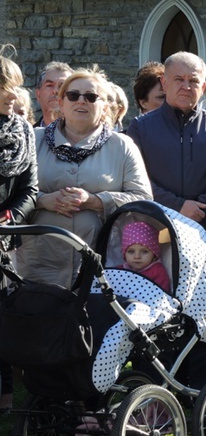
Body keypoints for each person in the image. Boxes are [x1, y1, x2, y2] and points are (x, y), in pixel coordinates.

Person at [126, 51, 206, 389]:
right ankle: (154, 404)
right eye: (178, 79)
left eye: (194, 81)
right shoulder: (141, 127)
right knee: (155, 323)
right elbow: (137, 179)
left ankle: (205, 404)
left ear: (204, 86)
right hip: (155, 241)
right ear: (164, 82)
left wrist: (201, 205)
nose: (186, 86)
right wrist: (178, 206)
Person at [17, 66, 152, 288]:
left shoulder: (122, 146)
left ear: (105, 106)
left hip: (100, 265)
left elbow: (143, 199)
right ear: (61, 102)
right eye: (73, 95)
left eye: (91, 97)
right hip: (36, 263)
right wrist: (42, 200)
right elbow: (10, 192)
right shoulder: (33, 140)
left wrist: (95, 201)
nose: (81, 101)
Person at [0, 46, 39, 436]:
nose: (15, 95)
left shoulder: (22, 133)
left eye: (16, 86)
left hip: (3, 249)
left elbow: (29, 186)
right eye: (6, 87)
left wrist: (10, 215)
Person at [118, 221, 171, 292]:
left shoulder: (157, 271)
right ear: (124, 254)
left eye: (144, 251)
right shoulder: (119, 271)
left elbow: (162, 295)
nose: (137, 256)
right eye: (131, 251)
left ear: (154, 253)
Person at [34, 61, 73, 127]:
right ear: (38, 94)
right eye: (49, 85)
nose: (55, 91)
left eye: (62, 86)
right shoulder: (28, 135)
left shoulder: (86, 134)